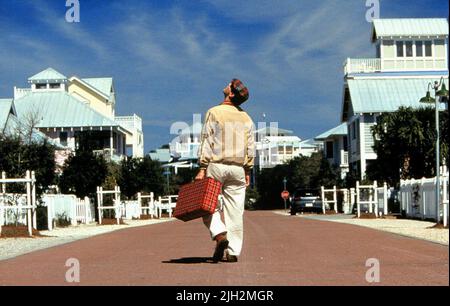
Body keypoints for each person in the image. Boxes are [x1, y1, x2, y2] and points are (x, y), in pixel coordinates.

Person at [195, 79, 255, 263]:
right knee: (235, 211)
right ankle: (233, 251)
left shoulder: (214, 112)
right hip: (238, 168)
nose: (227, 84)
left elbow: (207, 140)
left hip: (216, 165)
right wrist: (248, 169)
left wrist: (202, 167)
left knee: (207, 205)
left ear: (230, 93)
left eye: (230, 84)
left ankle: (220, 234)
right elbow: (250, 147)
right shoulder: (247, 118)